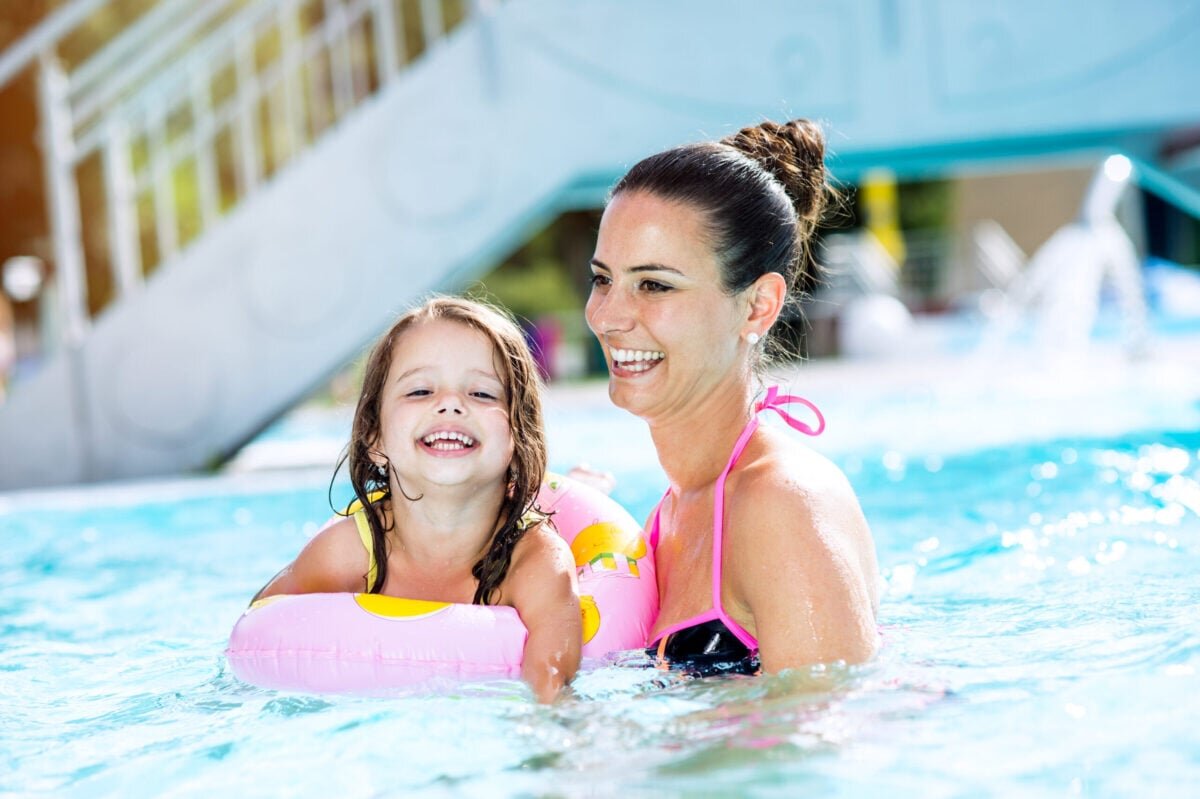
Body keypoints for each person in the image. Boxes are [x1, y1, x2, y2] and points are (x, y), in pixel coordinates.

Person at [585, 119, 880, 676]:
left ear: (757, 307)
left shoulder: (782, 504)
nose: (606, 316)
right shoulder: (666, 517)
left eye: (654, 285)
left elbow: (830, 737)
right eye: (603, 279)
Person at [252, 296, 581, 701]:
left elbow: (552, 684)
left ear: (518, 437)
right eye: (421, 390)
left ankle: (583, 487)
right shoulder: (348, 554)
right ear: (374, 438)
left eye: (481, 393)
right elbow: (258, 635)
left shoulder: (534, 562)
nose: (450, 403)